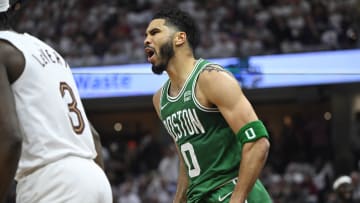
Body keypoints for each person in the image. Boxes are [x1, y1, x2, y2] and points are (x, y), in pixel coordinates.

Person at [144, 8, 271, 203]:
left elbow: (257, 142)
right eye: (146, 35)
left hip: (228, 189)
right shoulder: (159, 99)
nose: (146, 40)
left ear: (179, 38)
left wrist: (237, 199)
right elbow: (187, 161)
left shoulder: (211, 78)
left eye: (155, 32)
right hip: (199, 196)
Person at [0, 0, 112, 202]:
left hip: (51, 183)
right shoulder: (46, 50)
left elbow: (11, 138)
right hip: (94, 177)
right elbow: (93, 136)